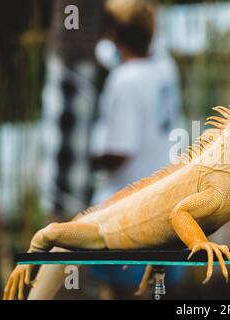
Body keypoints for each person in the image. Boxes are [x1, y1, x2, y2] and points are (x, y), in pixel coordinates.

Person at [89, 0, 183, 298]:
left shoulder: (125, 81)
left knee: (124, 293)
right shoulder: (166, 70)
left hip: (127, 216)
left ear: (114, 34)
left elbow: (120, 151)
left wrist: (90, 160)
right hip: (166, 213)